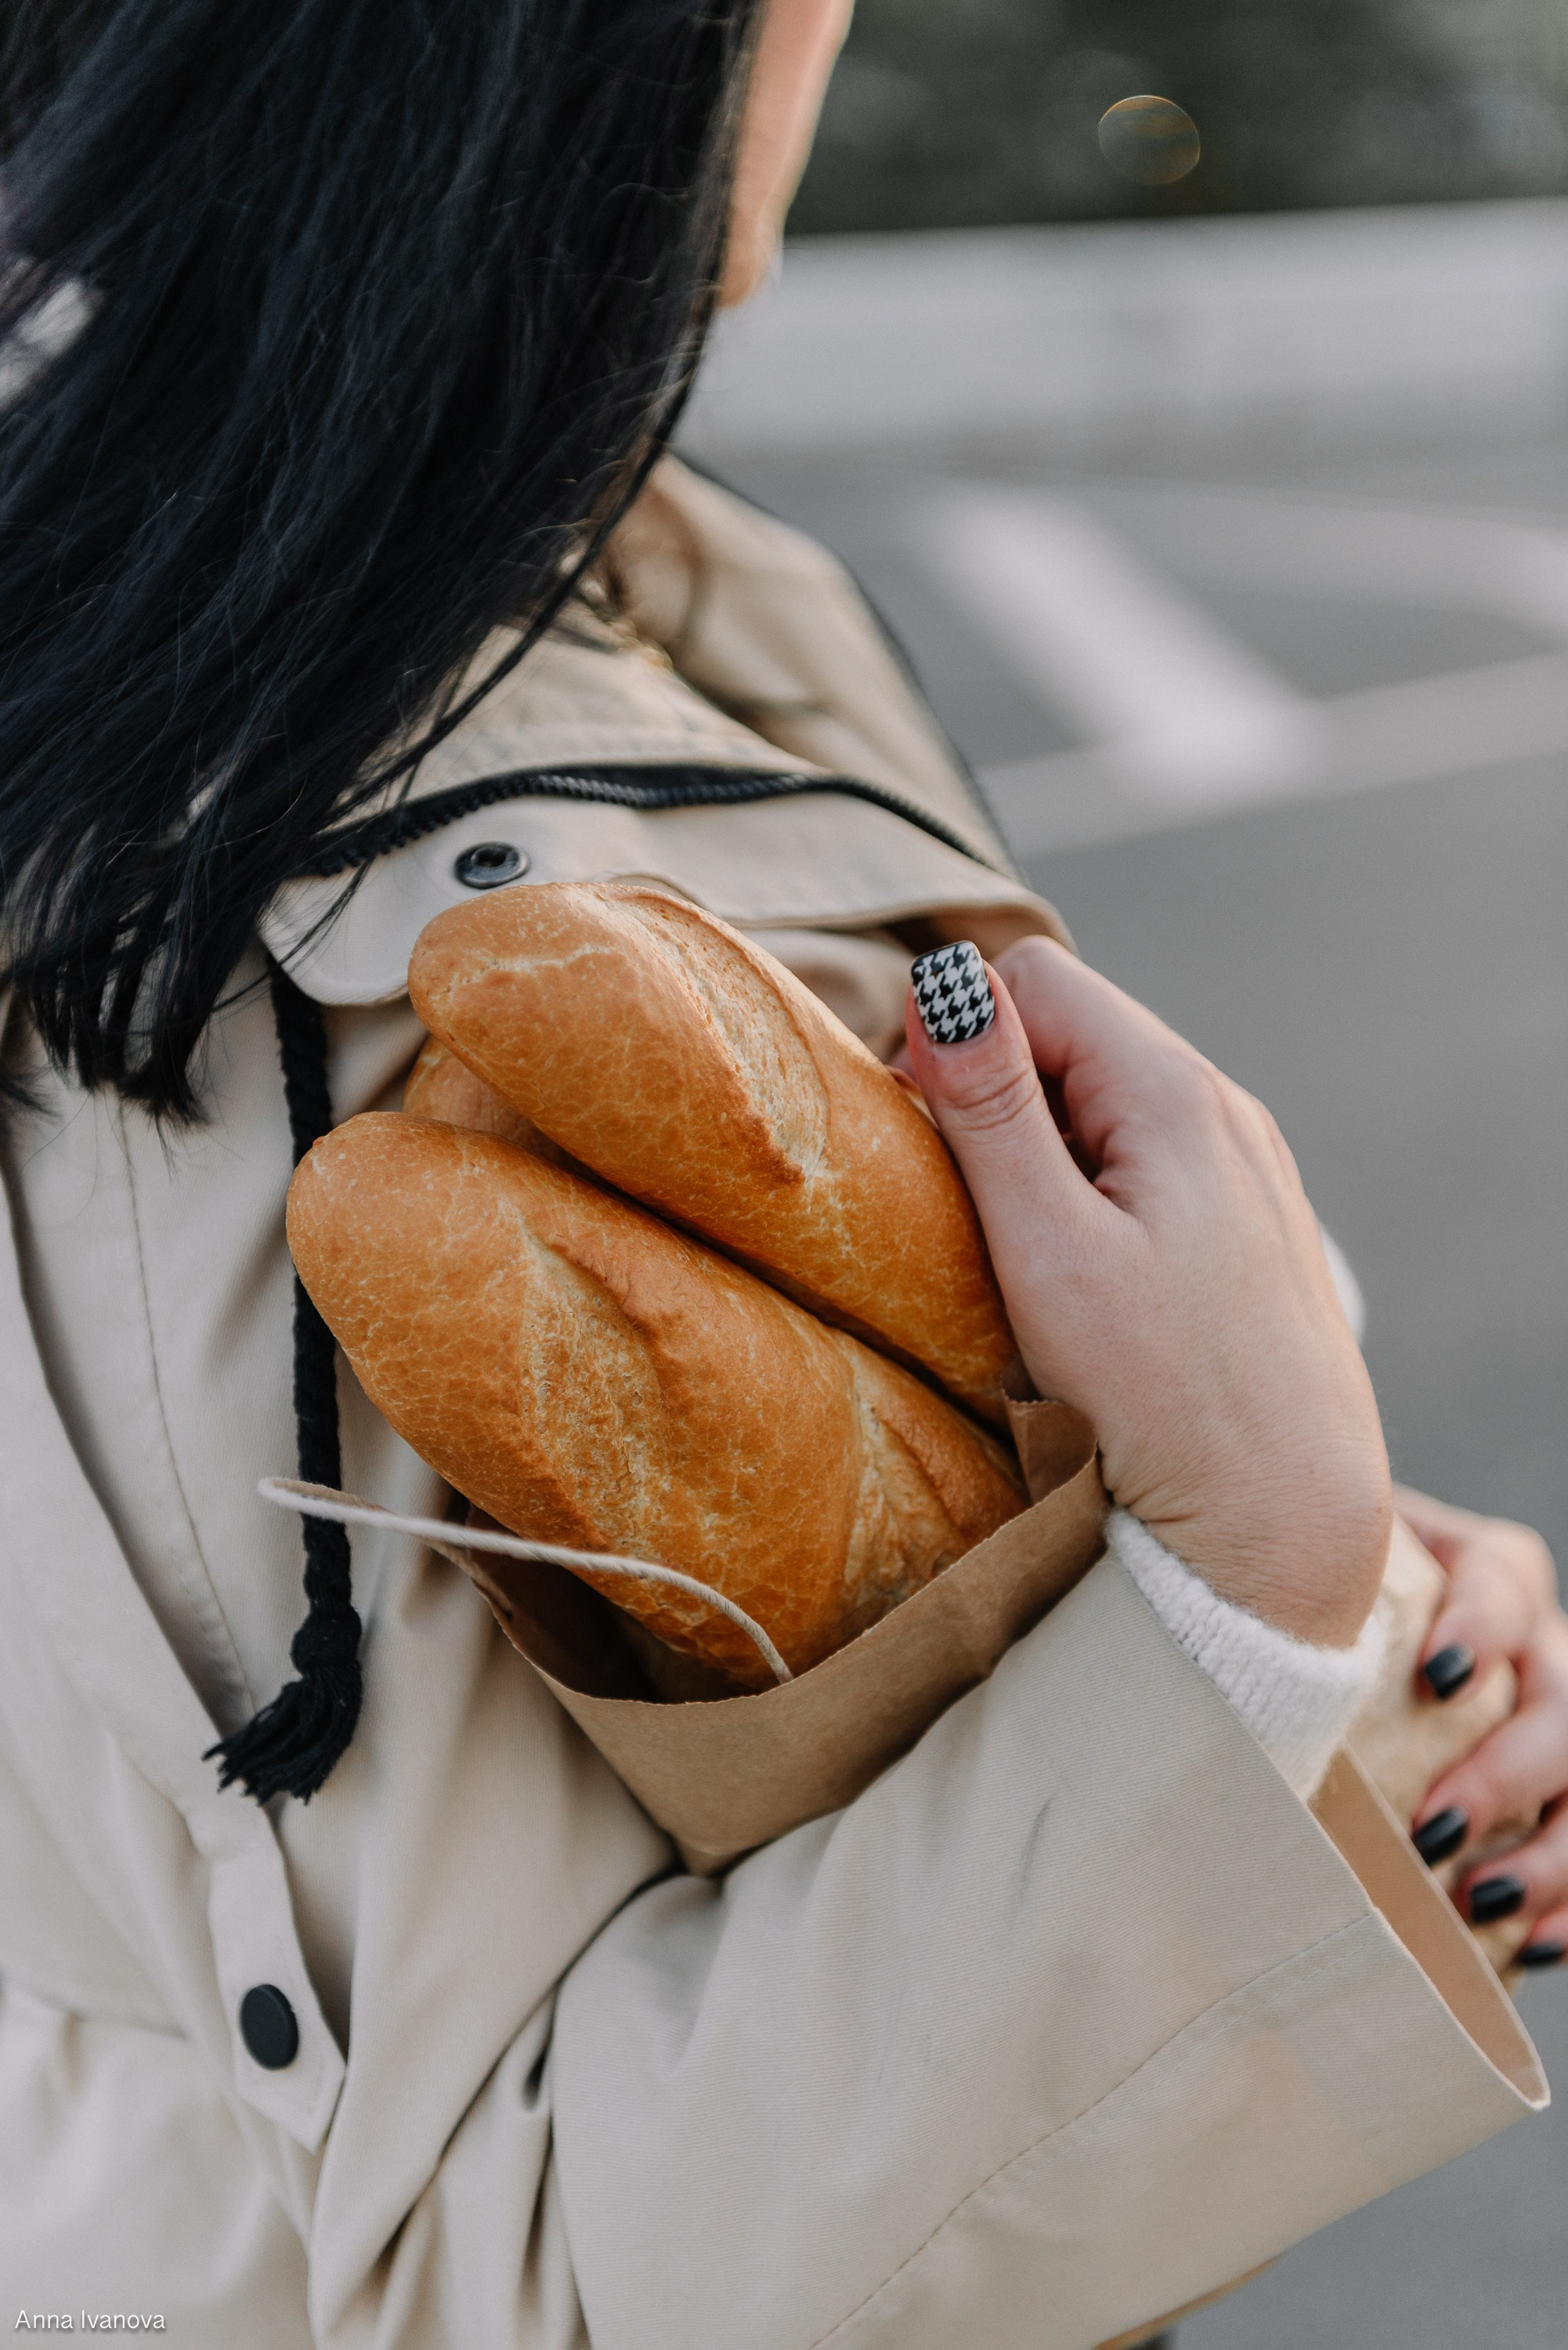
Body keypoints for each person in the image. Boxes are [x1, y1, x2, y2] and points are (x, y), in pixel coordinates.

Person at [0, 2, 1564, 2343]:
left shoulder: (653, 572)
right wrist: (1247, 1608)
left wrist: (1373, 1613)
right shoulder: (266, 938)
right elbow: (461, 2279)